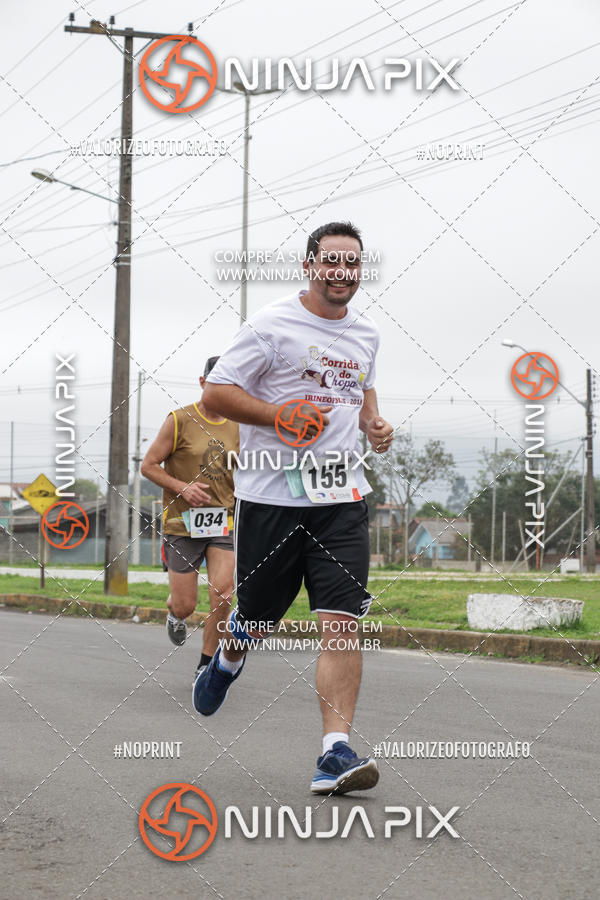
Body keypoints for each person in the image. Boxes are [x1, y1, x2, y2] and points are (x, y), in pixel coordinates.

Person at [193, 222, 393, 795]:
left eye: (352, 263)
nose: (341, 272)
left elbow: (362, 393)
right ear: (309, 265)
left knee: (342, 623)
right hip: (272, 498)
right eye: (331, 261)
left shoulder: (367, 333)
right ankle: (229, 657)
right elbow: (217, 394)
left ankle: (335, 753)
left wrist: (373, 424)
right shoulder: (270, 325)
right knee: (255, 618)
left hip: (341, 499)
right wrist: (277, 417)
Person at [141, 356, 239, 681]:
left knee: (223, 593)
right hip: (182, 524)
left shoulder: (241, 425)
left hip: (223, 522)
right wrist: (182, 488)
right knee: (186, 604)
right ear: (202, 382)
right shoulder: (180, 419)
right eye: (216, 382)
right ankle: (176, 613)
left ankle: (207, 664)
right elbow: (149, 465)